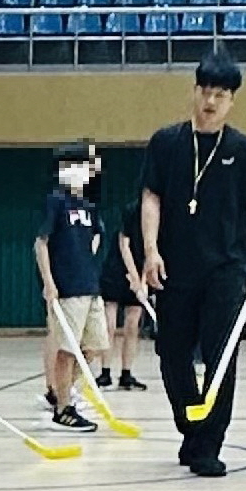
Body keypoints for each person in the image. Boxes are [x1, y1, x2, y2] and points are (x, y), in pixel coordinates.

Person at [139, 49, 246, 478]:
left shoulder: (244, 150)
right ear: (194, 92)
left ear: (231, 100)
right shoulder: (166, 143)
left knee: (221, 359)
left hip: (226, 270)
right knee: (171, 354)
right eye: (204, 91)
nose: (210, 101)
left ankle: (208, 444)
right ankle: (190, 427)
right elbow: (151, 198)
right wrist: (151, 250)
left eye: (220, 94)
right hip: (174, 267)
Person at [36, 141, 106, 429]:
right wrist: (49, 283)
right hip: (67, 288)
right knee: (67, 350)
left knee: (93, 348)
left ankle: (60, 391)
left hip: (90, 286)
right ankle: (63, 409)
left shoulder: (88, 207)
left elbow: (96, 235)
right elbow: (41, 243)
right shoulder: (56, 201)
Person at [96, 156, 148, 393]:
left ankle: (126, 374)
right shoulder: (132, 210)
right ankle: (105, 372)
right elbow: (123, 244)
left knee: (132, 324)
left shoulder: (164, 215)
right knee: (108, 323)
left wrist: (145, 281)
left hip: (141, 271)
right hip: (118, 269)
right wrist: (134, 276)